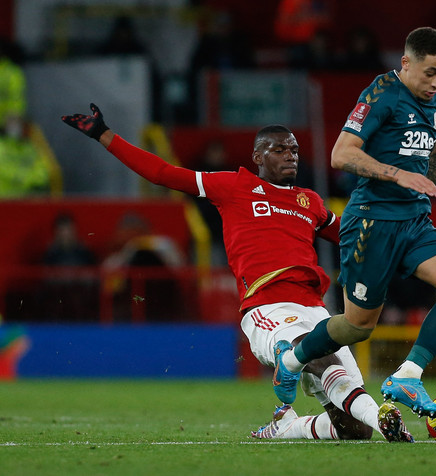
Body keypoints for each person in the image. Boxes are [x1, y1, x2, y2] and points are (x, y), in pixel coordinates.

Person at [61, 104, 413, 443]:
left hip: (314, 307)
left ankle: (290, 427)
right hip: (268, 307)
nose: (291, 155)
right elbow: (162, 173)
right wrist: (105, 135)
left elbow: (355, 237)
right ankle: (384, 420)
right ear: (258, 157)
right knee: (317, 353)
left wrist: (406, 244)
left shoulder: (310, 201)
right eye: (280, 149)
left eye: (294, 149)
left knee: (353, 430)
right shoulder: (232, 187)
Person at [271, 27, 436, 419]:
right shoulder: (381, 95)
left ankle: (408, 374)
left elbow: (432, 146)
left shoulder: (435, 102)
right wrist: (395, 173)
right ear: (405, 63)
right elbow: (341, 154)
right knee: (357, 326)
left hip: (415, 221)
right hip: (372, 223)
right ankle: (291, 360)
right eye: (429, 73)